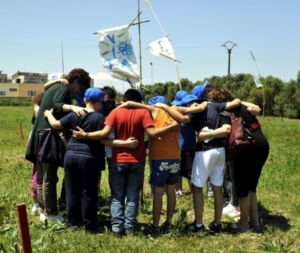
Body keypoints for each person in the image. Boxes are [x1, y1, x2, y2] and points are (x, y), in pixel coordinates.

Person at [72, 89, 180, 236]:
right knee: (133, 196)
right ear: (139, 102)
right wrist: (172, 127)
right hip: (137, 160)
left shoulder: (115, 113)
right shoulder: (143, 113)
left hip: (118, 160)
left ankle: (116, 228)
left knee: (117, 196)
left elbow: (104, 137)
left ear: (124, 99)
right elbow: (152, 133)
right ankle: (130, 228)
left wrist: (85, 135)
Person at [44, 88, 137, 233]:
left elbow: (56, 125)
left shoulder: (74, 114)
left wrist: (48, 114)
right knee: (88, 192)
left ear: (85, 100)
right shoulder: (99, 118)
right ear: (99, 102)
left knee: (71, 191)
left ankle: (73, 223)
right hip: (88, 158)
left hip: (70, 155)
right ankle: (90, 226)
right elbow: (104, 137)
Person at [118, 95, 207, 234]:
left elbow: (130, 102)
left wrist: (118, 108)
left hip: (160, 157)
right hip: (176, 157)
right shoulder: (176, 109)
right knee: (171, 192)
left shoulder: (154, 110)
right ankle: (168, 223)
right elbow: (200, 108)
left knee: (158, 193)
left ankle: (155, 225)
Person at [155, 94, 240, 234]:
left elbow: (182, 118)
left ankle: (199, 224)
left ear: (189, 105)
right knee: (218, 188)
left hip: (205, 152)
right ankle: (217, 224)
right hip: (220, 150)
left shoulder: (194, 113)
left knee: (197, 188)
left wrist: (165, 107)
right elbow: (235, 102)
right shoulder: (214, 105)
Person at [25, 68, 91, 222]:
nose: (77, 93)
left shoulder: (56, 87)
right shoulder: (63, 88)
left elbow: (49, 94)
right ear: (75, 82)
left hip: (39, 136)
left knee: (42, 177)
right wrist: (74, 107)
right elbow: (57, 104)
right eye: (79, 89)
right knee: (49, 177)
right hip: (47, 137)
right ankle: (51, 213)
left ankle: (43, 210)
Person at [209, 86, 269, 232]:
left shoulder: (224, 112)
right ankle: (255, 222)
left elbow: (227, 130)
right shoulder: (242, 106)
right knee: (251, 186)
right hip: (262, 144)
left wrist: (207, 134)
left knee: (242, 187)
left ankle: (243, 223)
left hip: (245, 147)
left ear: (217, 101)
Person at [171, 90, 194, 197]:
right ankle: (178, 190)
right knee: (177, 170)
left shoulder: (191, 114)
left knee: (190, 170)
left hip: (189, 146)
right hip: (177, 146)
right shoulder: (174, 113)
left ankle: (193, 191)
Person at [28, 92, 44, 216]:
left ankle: (37, 203)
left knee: (38, 172)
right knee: (38, 173)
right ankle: (37, 204)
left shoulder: (37, 106)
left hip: (35, 139)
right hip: (39, 140)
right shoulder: (39, 108)